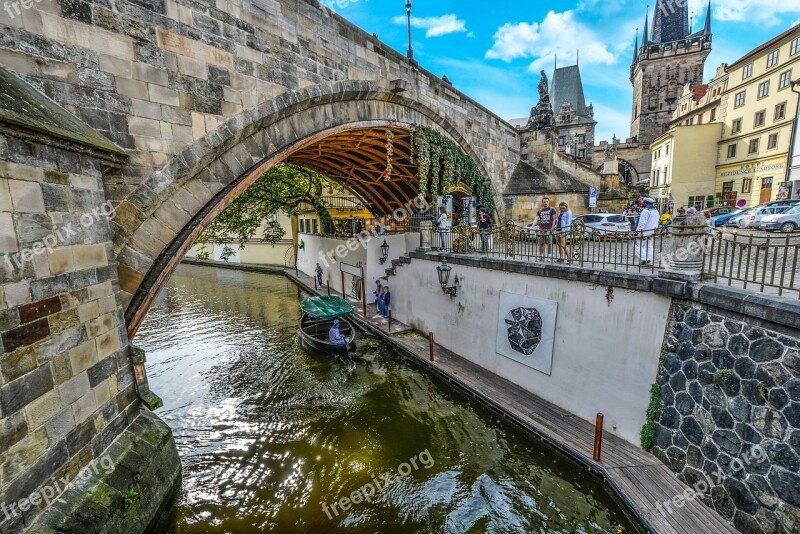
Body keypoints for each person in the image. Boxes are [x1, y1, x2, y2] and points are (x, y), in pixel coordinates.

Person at [636, 197, 660, 265]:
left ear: (646, 203)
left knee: (638, 245)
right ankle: (650, 260)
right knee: (649, 246)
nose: (642, 203)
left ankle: (644, 259)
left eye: (643, 202)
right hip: (652, 231)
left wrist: (638, 231)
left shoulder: (645, 211)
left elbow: (642, 223)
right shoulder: (656, 211)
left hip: (644, 231)